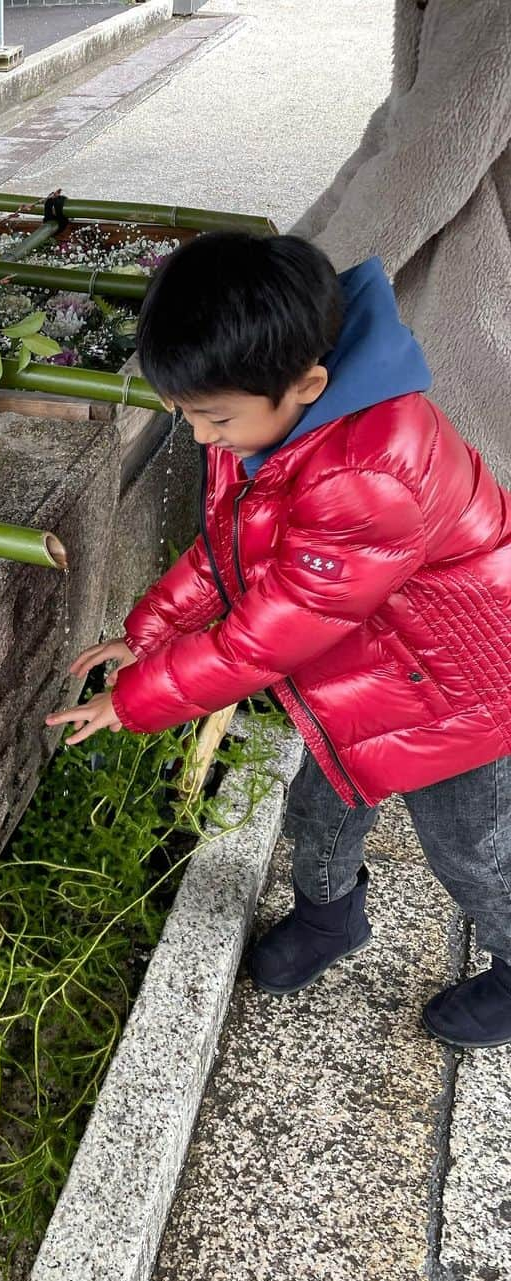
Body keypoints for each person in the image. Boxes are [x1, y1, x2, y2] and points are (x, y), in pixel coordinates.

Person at [46, 231, 511, 1049]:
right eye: (183, 414)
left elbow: (270, 633)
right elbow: (229, 552)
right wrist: (149, 632)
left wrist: (139, 698)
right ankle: (330, 919)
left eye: (211, 418)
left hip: (465, 688)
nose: (197, 437)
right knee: (320, 803)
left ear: (309, 383)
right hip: (368, 665)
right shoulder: (272, 424)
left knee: (473, 852)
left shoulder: (369, 475)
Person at [294, 0, 511, 486]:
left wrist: (292, 303)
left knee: (464, 483)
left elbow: (423, 165)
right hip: (465, 277)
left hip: (478, 281)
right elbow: (394, 133)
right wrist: (287, 260)